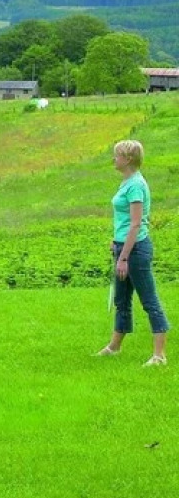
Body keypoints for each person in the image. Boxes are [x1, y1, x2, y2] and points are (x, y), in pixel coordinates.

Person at [95, 139, 168, 366]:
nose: (113, 159)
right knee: (122, 300)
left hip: (135, 250)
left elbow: (136, 224)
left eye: (116, 155)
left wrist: (124, 257)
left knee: (149, 301)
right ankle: (114, 347)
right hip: (124, 246)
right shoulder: (127, 182)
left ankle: (159, 355)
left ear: (127, 159)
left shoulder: (135, 185)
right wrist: (116, 241)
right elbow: (125, 220)